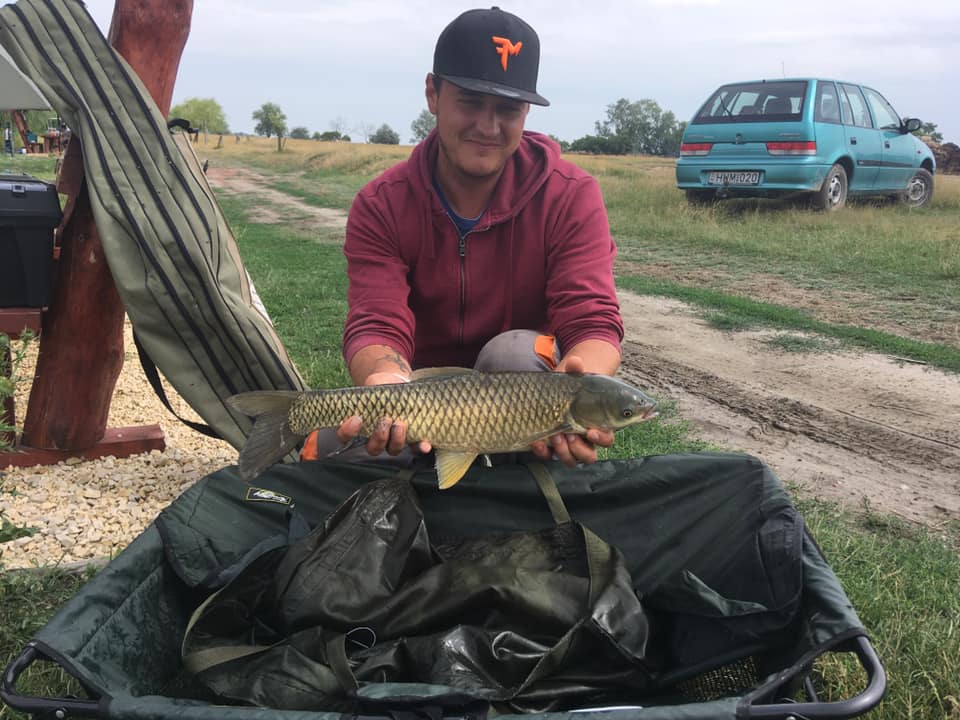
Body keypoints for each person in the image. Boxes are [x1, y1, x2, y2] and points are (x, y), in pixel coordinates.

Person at [325, 6, 624, 468]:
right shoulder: (381, 203)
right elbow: (377, 321)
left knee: (515, 353)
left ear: (526, 111)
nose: (488, 127)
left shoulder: (571, 195)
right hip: (424, 397)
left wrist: (577, 391)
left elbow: (592, 320)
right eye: (469, 101)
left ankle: (515, 478)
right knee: (326, 453)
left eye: (507, 109)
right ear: (433, 93)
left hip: (522, 391)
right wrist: (385, 380)